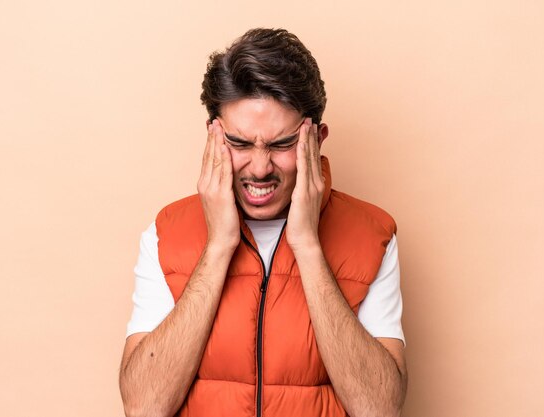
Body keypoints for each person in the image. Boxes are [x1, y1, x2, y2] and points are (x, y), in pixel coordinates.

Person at [119, 28, 407, 417]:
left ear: (317, 138)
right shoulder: (166, 232)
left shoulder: (372, 234)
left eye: (281, 144)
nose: (259, 168)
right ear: (213, 137)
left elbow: (379, 411)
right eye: (239, 144)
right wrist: (219, 244)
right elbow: (143, 409)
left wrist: (306, 244)